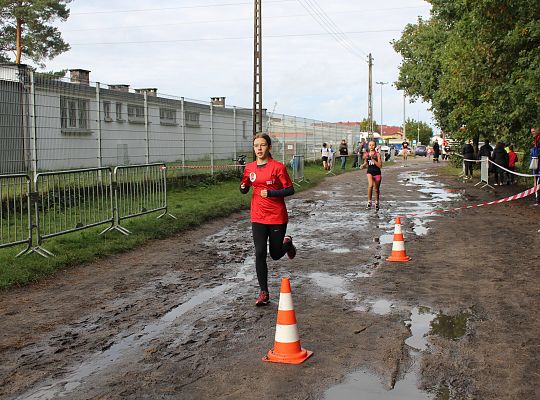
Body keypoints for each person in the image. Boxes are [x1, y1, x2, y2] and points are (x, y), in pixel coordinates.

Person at [240, 133, 296, 306]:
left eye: (263, 145)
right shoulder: (249, 168)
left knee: (275, 254)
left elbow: (290, 190)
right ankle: (263, 292)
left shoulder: (277, 167)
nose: (259, 148)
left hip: (276, 215)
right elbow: (245, 186)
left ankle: (287, 244)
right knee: (259, 253)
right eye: (256, 145)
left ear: (269, 147)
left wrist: (271, 193)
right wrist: (242, 187)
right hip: (257, 215)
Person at [360, 140, 382, 210]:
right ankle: (369, 201)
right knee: (370, 185)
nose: (371, 146)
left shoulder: (377, 154)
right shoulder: (367, 154)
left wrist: (373, 160)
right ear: (368, 146)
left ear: (375, 146)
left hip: (377, 173)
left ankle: (377, 202)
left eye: (373, 145)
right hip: (369, 172)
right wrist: (363, 165)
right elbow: (366, 162)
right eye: (370, 145)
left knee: (376, 189)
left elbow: (380, 165)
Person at [531, 127, 540, 205]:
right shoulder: (536, 140)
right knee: (535, 179)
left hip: (538, 164)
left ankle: (537, 199)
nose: (532, 133)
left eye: (534, 131)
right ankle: (537, 198)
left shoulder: (538, 140)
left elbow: (536, 153)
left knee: (537, 181)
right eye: (531, 131)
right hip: (535, 163)